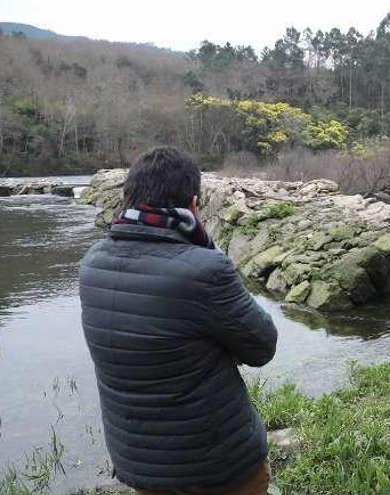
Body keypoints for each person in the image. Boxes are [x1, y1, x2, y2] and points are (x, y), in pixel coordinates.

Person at [80, 146, 278, 495]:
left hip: (140, 464)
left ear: (127, 199)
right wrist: (204, 245)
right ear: (194, 205)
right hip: (218, 466)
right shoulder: (205, 269)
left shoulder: (92, 264)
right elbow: (262, 346)